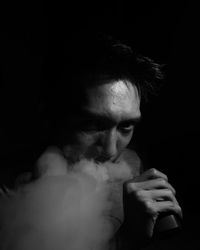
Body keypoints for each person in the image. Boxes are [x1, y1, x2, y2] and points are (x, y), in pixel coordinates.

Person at [0, 31, 182, 250]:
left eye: (126, 126)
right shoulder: (9, 194)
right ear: (50, 118)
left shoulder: (132, 164)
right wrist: (125, 242)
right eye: (92, 125)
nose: (111, 150)